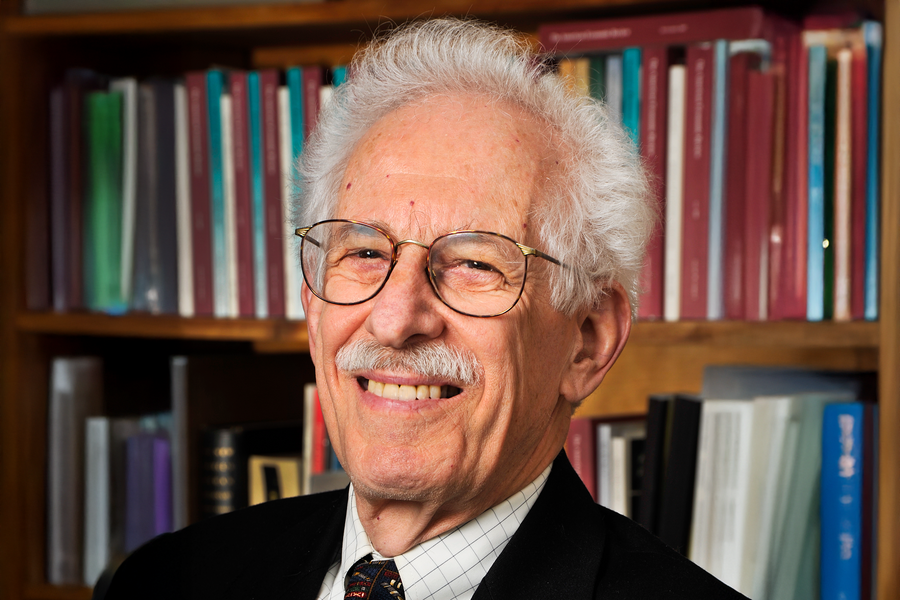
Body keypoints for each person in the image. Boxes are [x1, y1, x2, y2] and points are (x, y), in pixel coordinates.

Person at [103, 18, 746, 600]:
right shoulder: (166, 582)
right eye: (363, 252)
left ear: (588, 339)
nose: (395, 319)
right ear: (312, 306)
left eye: (475, 264)